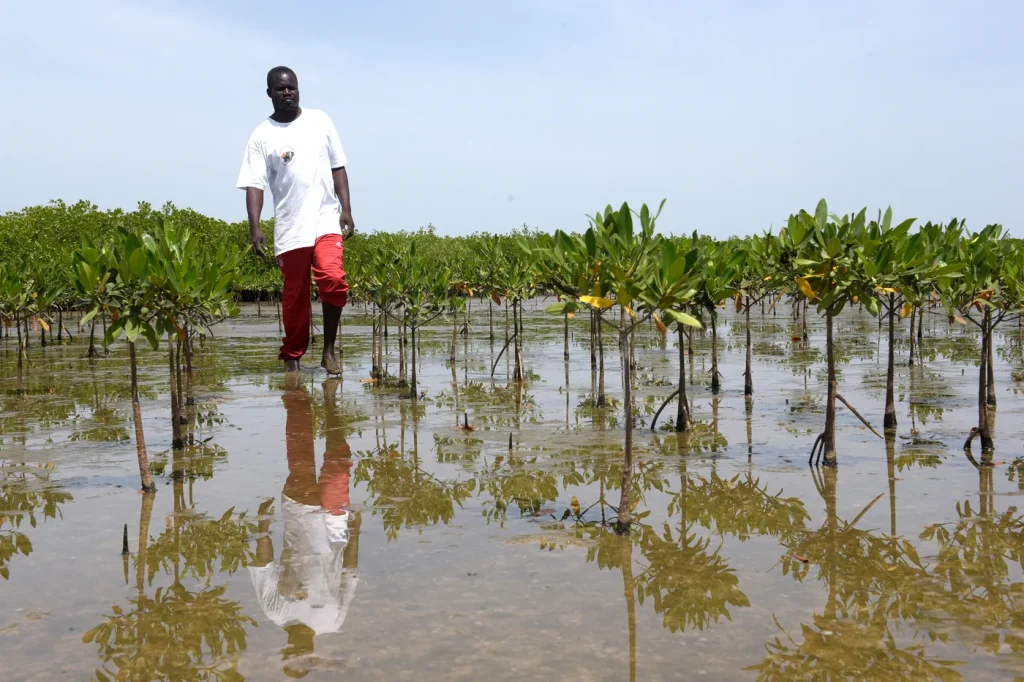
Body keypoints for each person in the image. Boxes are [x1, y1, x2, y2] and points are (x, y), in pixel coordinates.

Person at [237, 66, 354, 373]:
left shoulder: (320, 120)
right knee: (294, 297)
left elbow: (338, 166)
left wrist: (346, 209)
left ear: (298, 89)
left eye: (292, 87)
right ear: (269, 93)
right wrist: (255, 226)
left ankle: (328, 351)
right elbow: (254, 184)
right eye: (280, 88)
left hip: (326, 219)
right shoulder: (261, 135)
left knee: (333, 279)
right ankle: (292, 358)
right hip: (290, 227)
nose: (287, 92)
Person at [250, 376, 360, 677]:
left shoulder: (275, 612)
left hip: (299, 515)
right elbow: (349, 575)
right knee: (339, 460)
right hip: (335, 524)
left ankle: (296, 394)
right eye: (302, 656)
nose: (296, 649)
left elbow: (263, 567)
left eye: (290, 654)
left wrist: (263, 527)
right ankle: (330, 403)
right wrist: (356, 534)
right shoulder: (333, 621)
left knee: (300, 450)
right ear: (311, 656)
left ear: (285, 651)